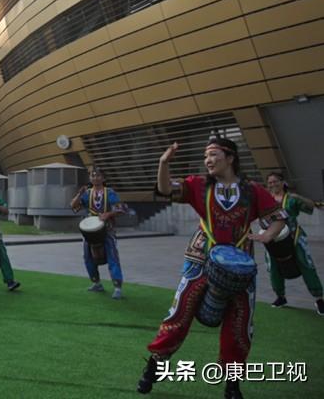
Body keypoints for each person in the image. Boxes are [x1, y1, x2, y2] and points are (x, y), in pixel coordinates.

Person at [136, 138, 287, 398]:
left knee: (239, 326)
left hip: (240, 265)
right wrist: (163, 162)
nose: (208, 160)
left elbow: (279, 218)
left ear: (230, 158)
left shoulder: (252, 190)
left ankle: (232, 385)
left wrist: (266, 236)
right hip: (200, 259)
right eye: (205, 155)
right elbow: (164, 189)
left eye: (213, 154)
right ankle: (153, 367)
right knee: (179, 316)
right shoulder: (198, 185)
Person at [264, 171, 324, 315]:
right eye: (270, 182)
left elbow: (310, 207)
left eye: (275, 181)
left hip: (294, 236)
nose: (273, 184)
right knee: (273, 267)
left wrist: (299, 197)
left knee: (306, 264)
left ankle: (319, 299)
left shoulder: (291, 199)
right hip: (272, 238)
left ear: (282, 182)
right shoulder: (266, 199)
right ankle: (280, 296)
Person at [70, 166, 126, 299]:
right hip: (90, 230)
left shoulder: (109, 192)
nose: (95, 178)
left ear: (103, 178)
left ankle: (117, 287)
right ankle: (96, 283)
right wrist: (79, 194)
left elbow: (122, 209)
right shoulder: (87, 193)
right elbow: (74, 206)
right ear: (90, 178)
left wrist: (108, 214)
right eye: (93, 175)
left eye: (98, 175)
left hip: (107, 229)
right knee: (88, 256)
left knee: (112, 256)